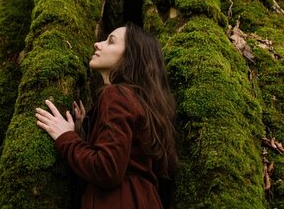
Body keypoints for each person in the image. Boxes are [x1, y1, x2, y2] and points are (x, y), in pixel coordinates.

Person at [35, 22, 178, 208]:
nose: (97, 44)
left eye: (111, 41)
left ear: (130, 56)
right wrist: (86, 134)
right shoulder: (139, 103)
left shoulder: (116, 95)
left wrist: (66, 138)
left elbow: (107, 169)